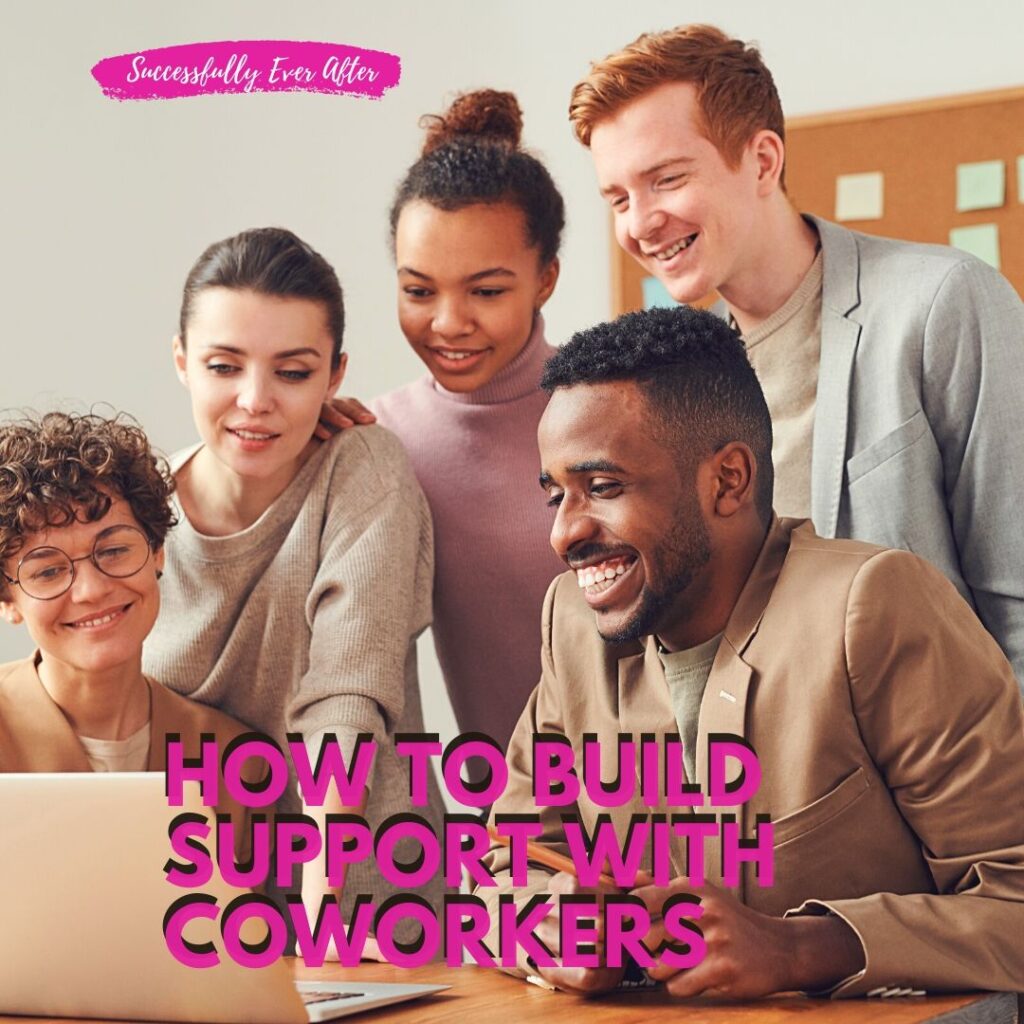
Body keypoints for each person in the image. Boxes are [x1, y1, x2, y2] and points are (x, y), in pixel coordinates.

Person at [478, 306, 1024, 998]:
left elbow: (1014, 900)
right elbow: (500, 864)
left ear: (728, 480)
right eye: (556, 495)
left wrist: (801, 946)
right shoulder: (574, 625)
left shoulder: (873, 608)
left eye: (604, 488)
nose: (564, 533)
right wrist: (551, 926)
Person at [568, 24, 1024, 686]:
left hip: (949, 770)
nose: (639, 223)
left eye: (665, 180)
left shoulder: (942, 303)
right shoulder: (677, 385)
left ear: (762, 161)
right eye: (618, 199)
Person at [142, 227, 446, 943]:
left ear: (335, 375)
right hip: (200, 907)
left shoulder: (362, 466)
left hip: (364, 908)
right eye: (224, 366)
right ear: (183, 362)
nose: (255, 401)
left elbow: (347, 694)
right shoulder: (138, 509)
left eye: (293, 372)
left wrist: (318, 921)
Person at [332, 90, 567, 758]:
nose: (448, 323)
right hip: (515, 826)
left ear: (545, 277)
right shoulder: (377, 439)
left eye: (486, 291)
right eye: (418, 290)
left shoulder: (613, 409)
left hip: (666, 804)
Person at [0, 412, 257, 836]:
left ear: (157, 552)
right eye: (47, 572)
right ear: (8, 601)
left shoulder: (233, 757)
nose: (91, 590)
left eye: (115, 550)